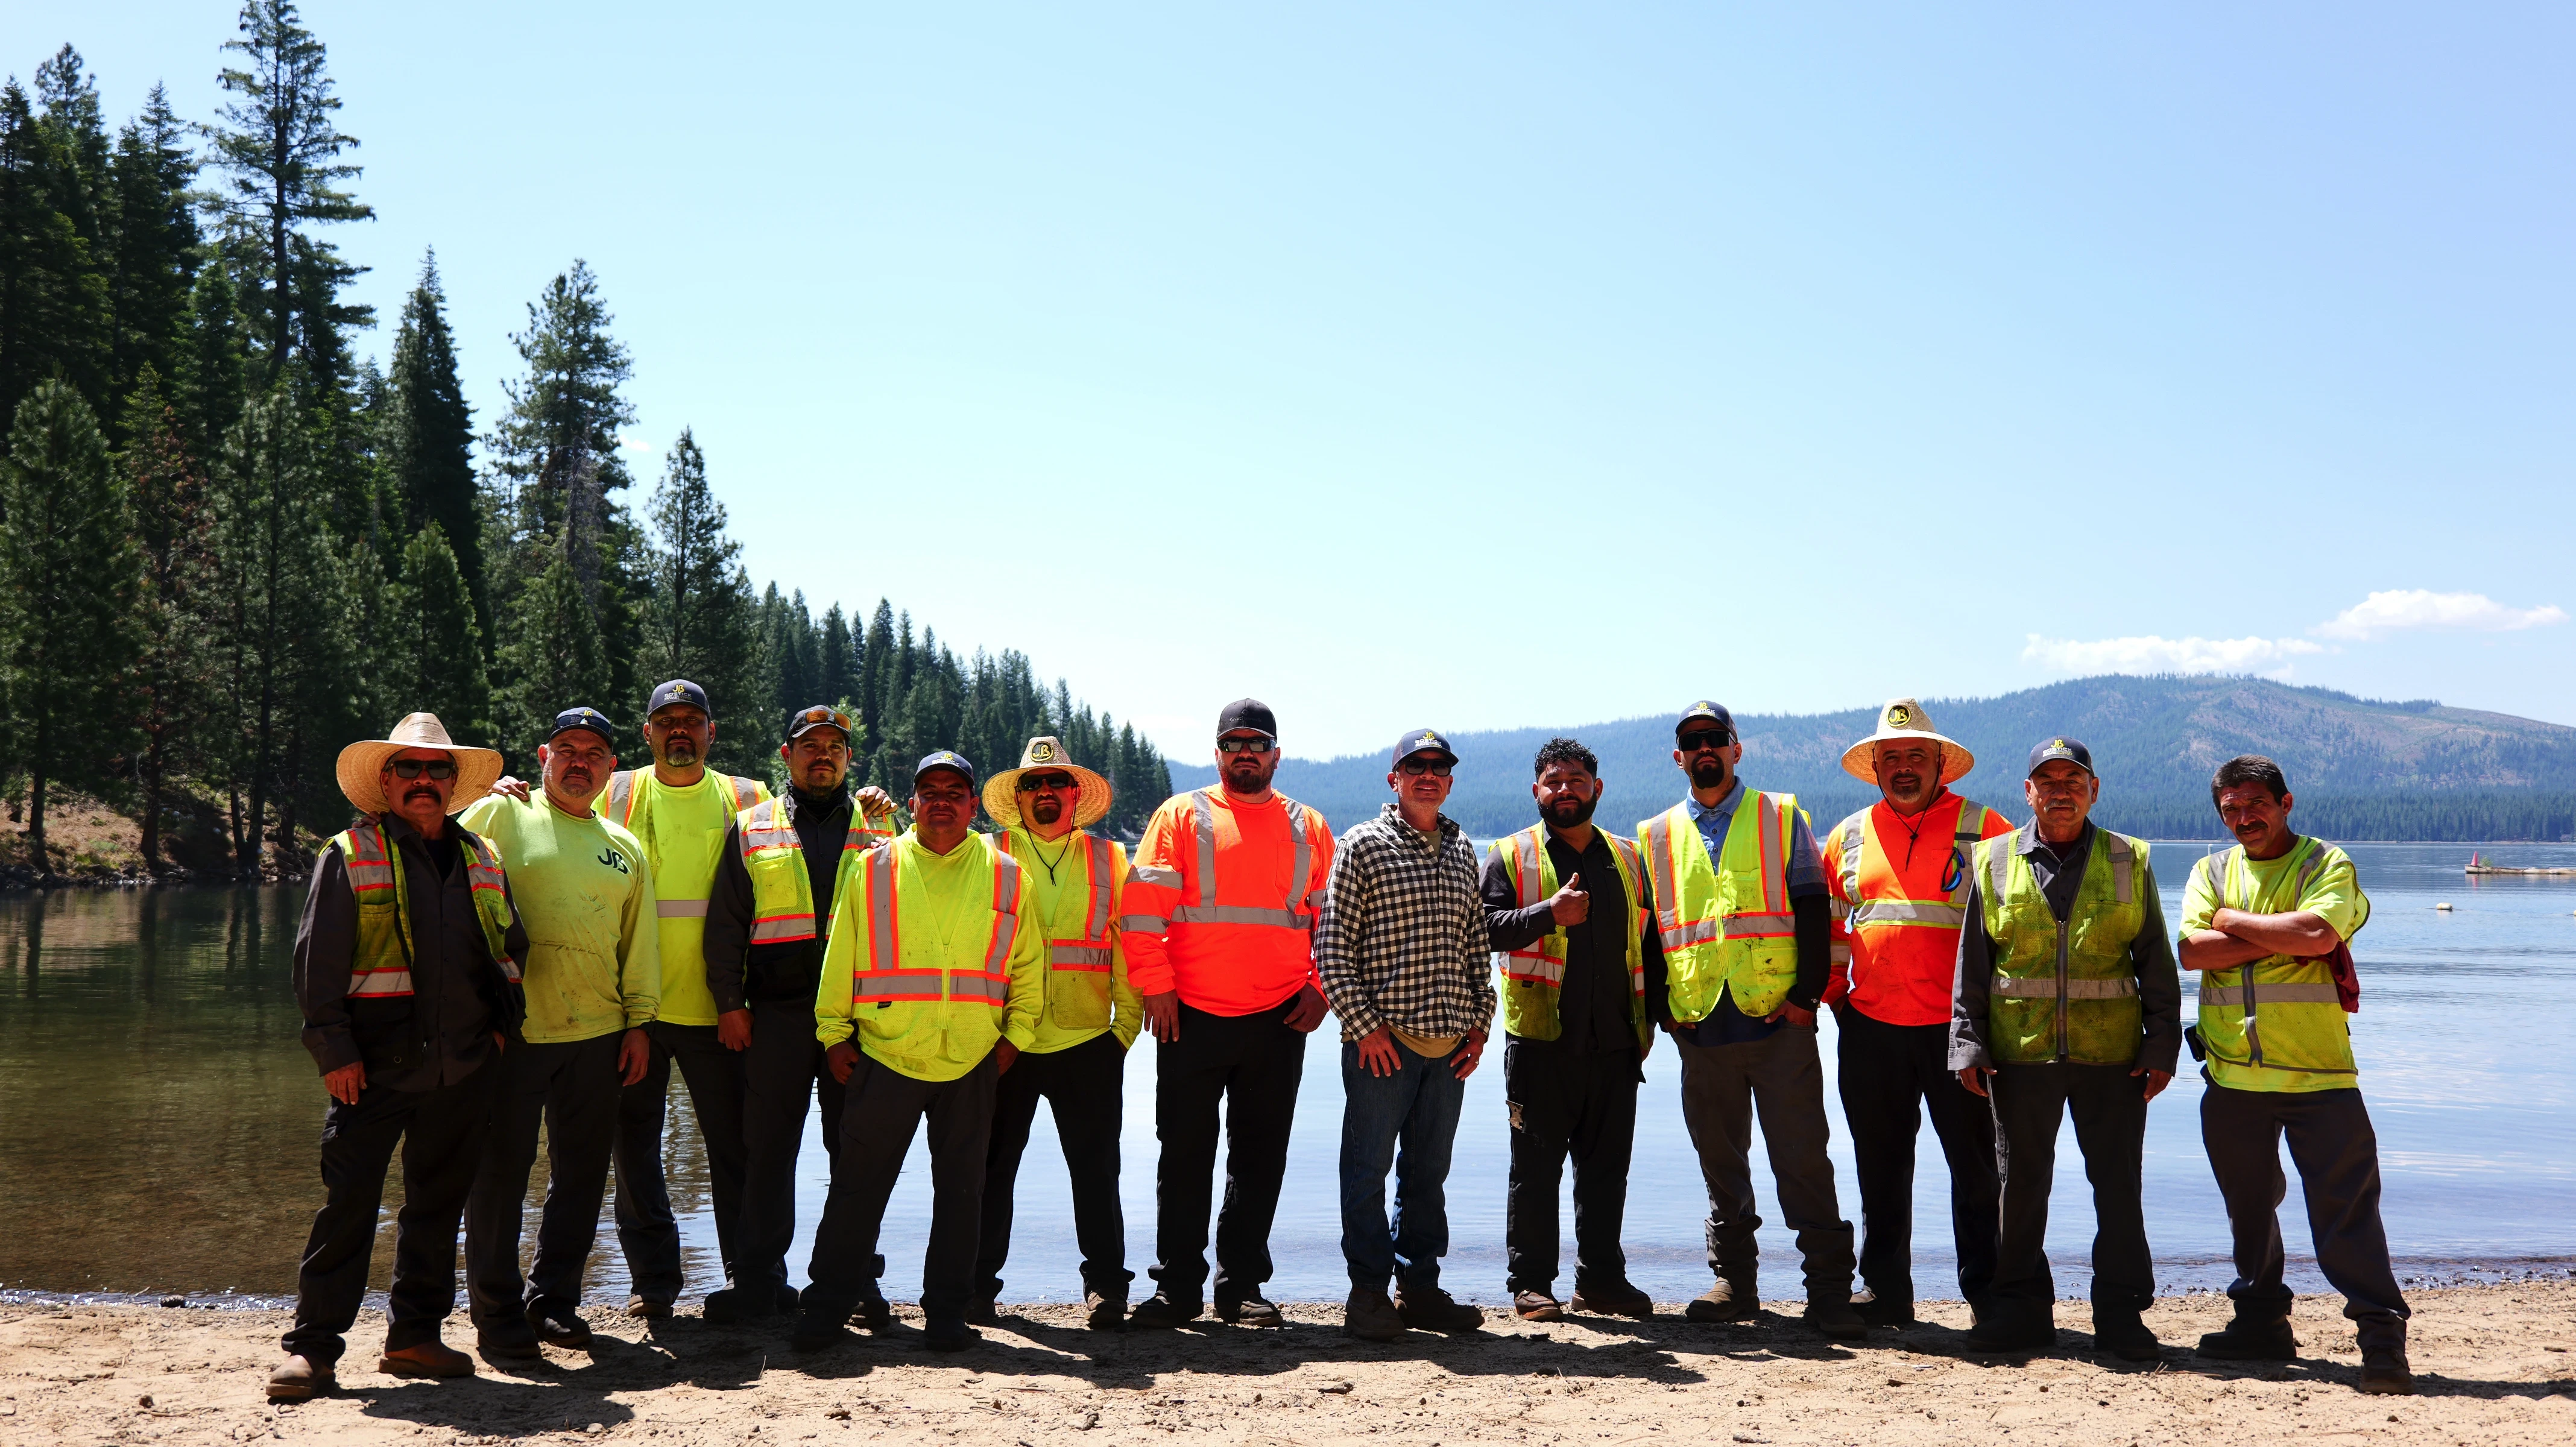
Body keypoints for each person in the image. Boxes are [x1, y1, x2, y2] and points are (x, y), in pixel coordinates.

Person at [270, 714, 526, 1401]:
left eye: (437, 770)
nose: (423, 781)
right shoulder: (349, 853)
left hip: (462, 1067)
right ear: (384, 781)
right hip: (371, 1069)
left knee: (437, 1210)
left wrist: (497, 1034)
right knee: (348, 1207)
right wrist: (334, 1052)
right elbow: (315, 967)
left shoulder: (481, 856)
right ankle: (313, 1352)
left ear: (452, 783)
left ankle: (414, 1336)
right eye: (408, 769)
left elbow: (509, 950)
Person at [790, 751, 1046, 1352]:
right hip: (885, 1054)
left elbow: (1029, 968)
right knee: (856, 1189)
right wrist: (834, 1035)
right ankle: (826, 1309)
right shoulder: (873, 870)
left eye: (954, 792)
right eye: (929, 791)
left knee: (963, 1195)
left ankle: (948, 1315)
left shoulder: (1009, 875)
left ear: (973, 803)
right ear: (912, 804)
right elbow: (842, 958)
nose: (941, 802)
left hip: (972, 1058)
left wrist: (1016, 1037)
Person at [2179, 755, 2412, 1395]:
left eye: (2255, 803)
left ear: (2286, 802)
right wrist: (2285, 937)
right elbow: (2193, 951)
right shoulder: (2211, 870)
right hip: (2231, 1081)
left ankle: (2382, 1342)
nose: (2243, 817)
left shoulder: (2325, 864)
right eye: (2230, 808)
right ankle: (2260, 1324)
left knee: (2347, 1216)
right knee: (2248, 1212)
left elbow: (2317, 932)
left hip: (2321, 1079)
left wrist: (2234, 923)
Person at [1949, 737, 2180, 1360]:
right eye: (2046, 781)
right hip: (2019, 1054)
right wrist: (1967, 1043)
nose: (2059, 791)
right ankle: (2020, 1312)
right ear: (2027, 792)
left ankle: (2122, 1317)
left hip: (2114, 1057)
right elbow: (1973, 961)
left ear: (2094, 789)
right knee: (2019, 1188)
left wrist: (2162, 1045)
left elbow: (2156, 959)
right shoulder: (1994, 860)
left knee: (2118, 1189)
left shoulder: (2129, 859)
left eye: (2072, 780)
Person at [1638, 702, 1862, 1338]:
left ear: (1737, 749)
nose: (1705, 749)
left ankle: (1827, 1292)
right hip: (1701, 1026)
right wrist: (1666, 1014)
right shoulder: (1656, 834)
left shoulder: (1781, 816)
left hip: (1777, 1023)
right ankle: (1735, 1284)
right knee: (1720, 1163)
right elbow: (1654, 936)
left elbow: (1815, 913)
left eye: (1716, 739)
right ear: (1678, 756)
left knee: (1802, 1159)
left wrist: (1805, 1000)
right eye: (1692, 742)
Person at [1120, 698, 1336, 1328]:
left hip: (1280, 1017)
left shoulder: (1310, 826)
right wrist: (1155, 988)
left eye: (1257, 742)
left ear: (1276, 754)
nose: (1246, 752)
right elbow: (1140, 914)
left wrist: (1321, 988)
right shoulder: (1181, 815)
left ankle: (1241, 1286)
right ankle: (1177, 1288)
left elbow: (1332, 923)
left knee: (1260, 1156)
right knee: (1183, 1153)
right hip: (1188, 1014)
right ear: (1218, 754)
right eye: (1234, 742)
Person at [459, 708, 660, 1358]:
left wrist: (639, 1023)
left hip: (598, 1034)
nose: (580, 762)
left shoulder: (623, 845)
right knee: (499, 1176)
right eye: (567, 750)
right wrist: (476, 796)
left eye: (595, 753)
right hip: (512, 1034)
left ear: (611, 765)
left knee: (579, 1177)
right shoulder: (500, 815)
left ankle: (554, 1302)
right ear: (544, 755)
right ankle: (495, 1311)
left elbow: (639, 944)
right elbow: (440, 867)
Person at [1817, 698, 2014, 1329]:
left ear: (1940, 765)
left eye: (1916, 757)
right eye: (1892, 758)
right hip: (1870, 1027)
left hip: (1960, 1030)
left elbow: (2015, 927)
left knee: (1977, 1168)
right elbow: (1829, 927)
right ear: (1875, 766)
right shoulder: (1848, 834)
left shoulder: (1987, 828)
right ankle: (1885, 1293)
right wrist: (1835, 995)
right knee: (1879, 1165)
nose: (1904, 768)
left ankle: (1987, 1292)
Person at [702, 705, 895, 1321]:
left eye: (834, 747)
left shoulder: (881, 829)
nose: (822, 756)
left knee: (856, 1152)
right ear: (786, 757)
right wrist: (730, 1004)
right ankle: (759, 1281)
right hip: (777, 1017)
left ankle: (854, 1281)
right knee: (768, 1150)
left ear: (848, 759)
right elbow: (726, 925)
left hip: (858, 1020)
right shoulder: (752, 826)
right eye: (809, 746)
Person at [1316, 729, 1494, 1341]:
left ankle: (1418, 1289)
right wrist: (1365, 1030)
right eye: (1414, 766)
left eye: (1438, 766)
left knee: (1427, 1176)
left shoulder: (1462, 848)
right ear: (1393, 779)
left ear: (1449, 780)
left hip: (1450, 1049)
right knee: (1365, 1172)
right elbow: (1331, 949)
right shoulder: (1361, 846)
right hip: (1382, 1046)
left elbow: (1477, 943)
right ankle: (1367, 1294)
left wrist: (1481, 1022)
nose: (1427, 775)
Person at [1480, 737, 1661, 1323]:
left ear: (1596, 789)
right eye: (1554, 781)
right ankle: (1532, 1283)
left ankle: (1601, 1282)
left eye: (1576, 780)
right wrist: (1546, 914)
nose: (1565, 790)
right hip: (1539, 1042)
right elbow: (1483, 929)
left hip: (1615, 1039)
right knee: (1535, 1170)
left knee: (1606, 1170)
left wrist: (1651, 1019)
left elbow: (1650, 945)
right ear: (1537, 790)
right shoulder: (1511, 855)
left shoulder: (1630, 858)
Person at [972, 737, 1141, 1331]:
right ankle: (976, 1286)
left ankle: (1106, 1289)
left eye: (1056, 784)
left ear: (1075, 795)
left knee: (1097, 1173)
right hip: (1003, 1045)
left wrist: (1125, 1028)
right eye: (1032, 785)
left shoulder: (1110, 859)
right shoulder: (986, 857)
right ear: (1017, 799)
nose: (1045, 793)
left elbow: (1128, 945)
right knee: (991, 1171)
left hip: (1087, 1042)